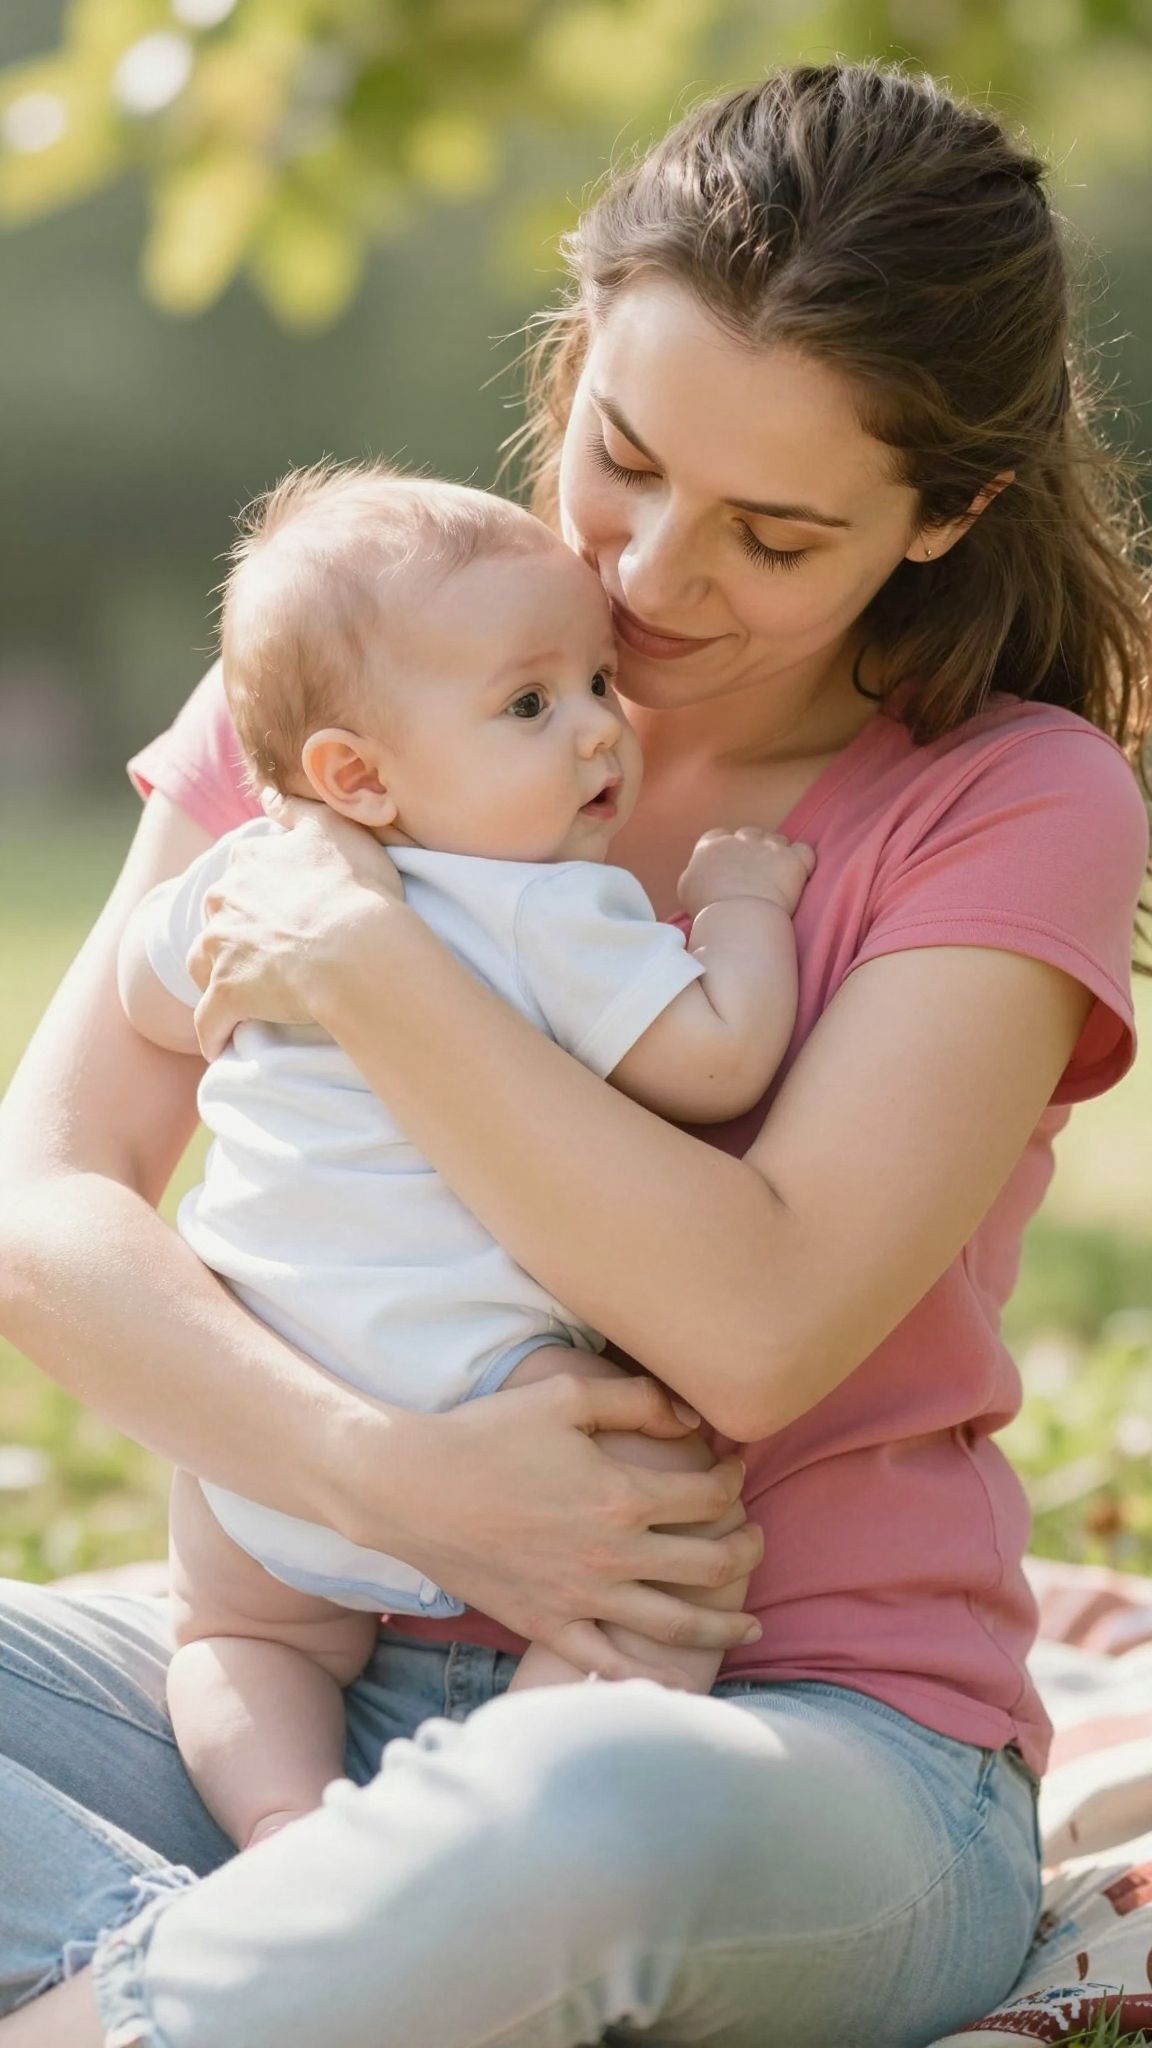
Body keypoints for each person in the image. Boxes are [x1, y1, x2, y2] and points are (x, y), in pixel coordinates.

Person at [0, 58, 1149, 2048]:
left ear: (945, 514)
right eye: (622, 455)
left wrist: (369, 954)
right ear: (575, 345)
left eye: (773, 535)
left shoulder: (1013, 800)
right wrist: (397, 1479)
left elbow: (759, 1318)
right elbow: (41, 1202)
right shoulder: (358, 660)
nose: (645, 575)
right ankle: (270, 1964)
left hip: (776, 1727)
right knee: (426, 1866)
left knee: (569, 1821)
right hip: (302, 1662)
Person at [117, 459, 813, 1850]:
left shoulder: (262, 877)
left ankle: (281, 1836)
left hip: (268, 1390)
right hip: (480, 1383)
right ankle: (450, 1846)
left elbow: (148, 998)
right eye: (530, 705)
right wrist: (741, 904)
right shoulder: (545, 911)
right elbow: (723, 1056)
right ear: (357, 772)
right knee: (660, 1586)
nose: (599, 736)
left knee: (237, 1635)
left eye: (597, 688)